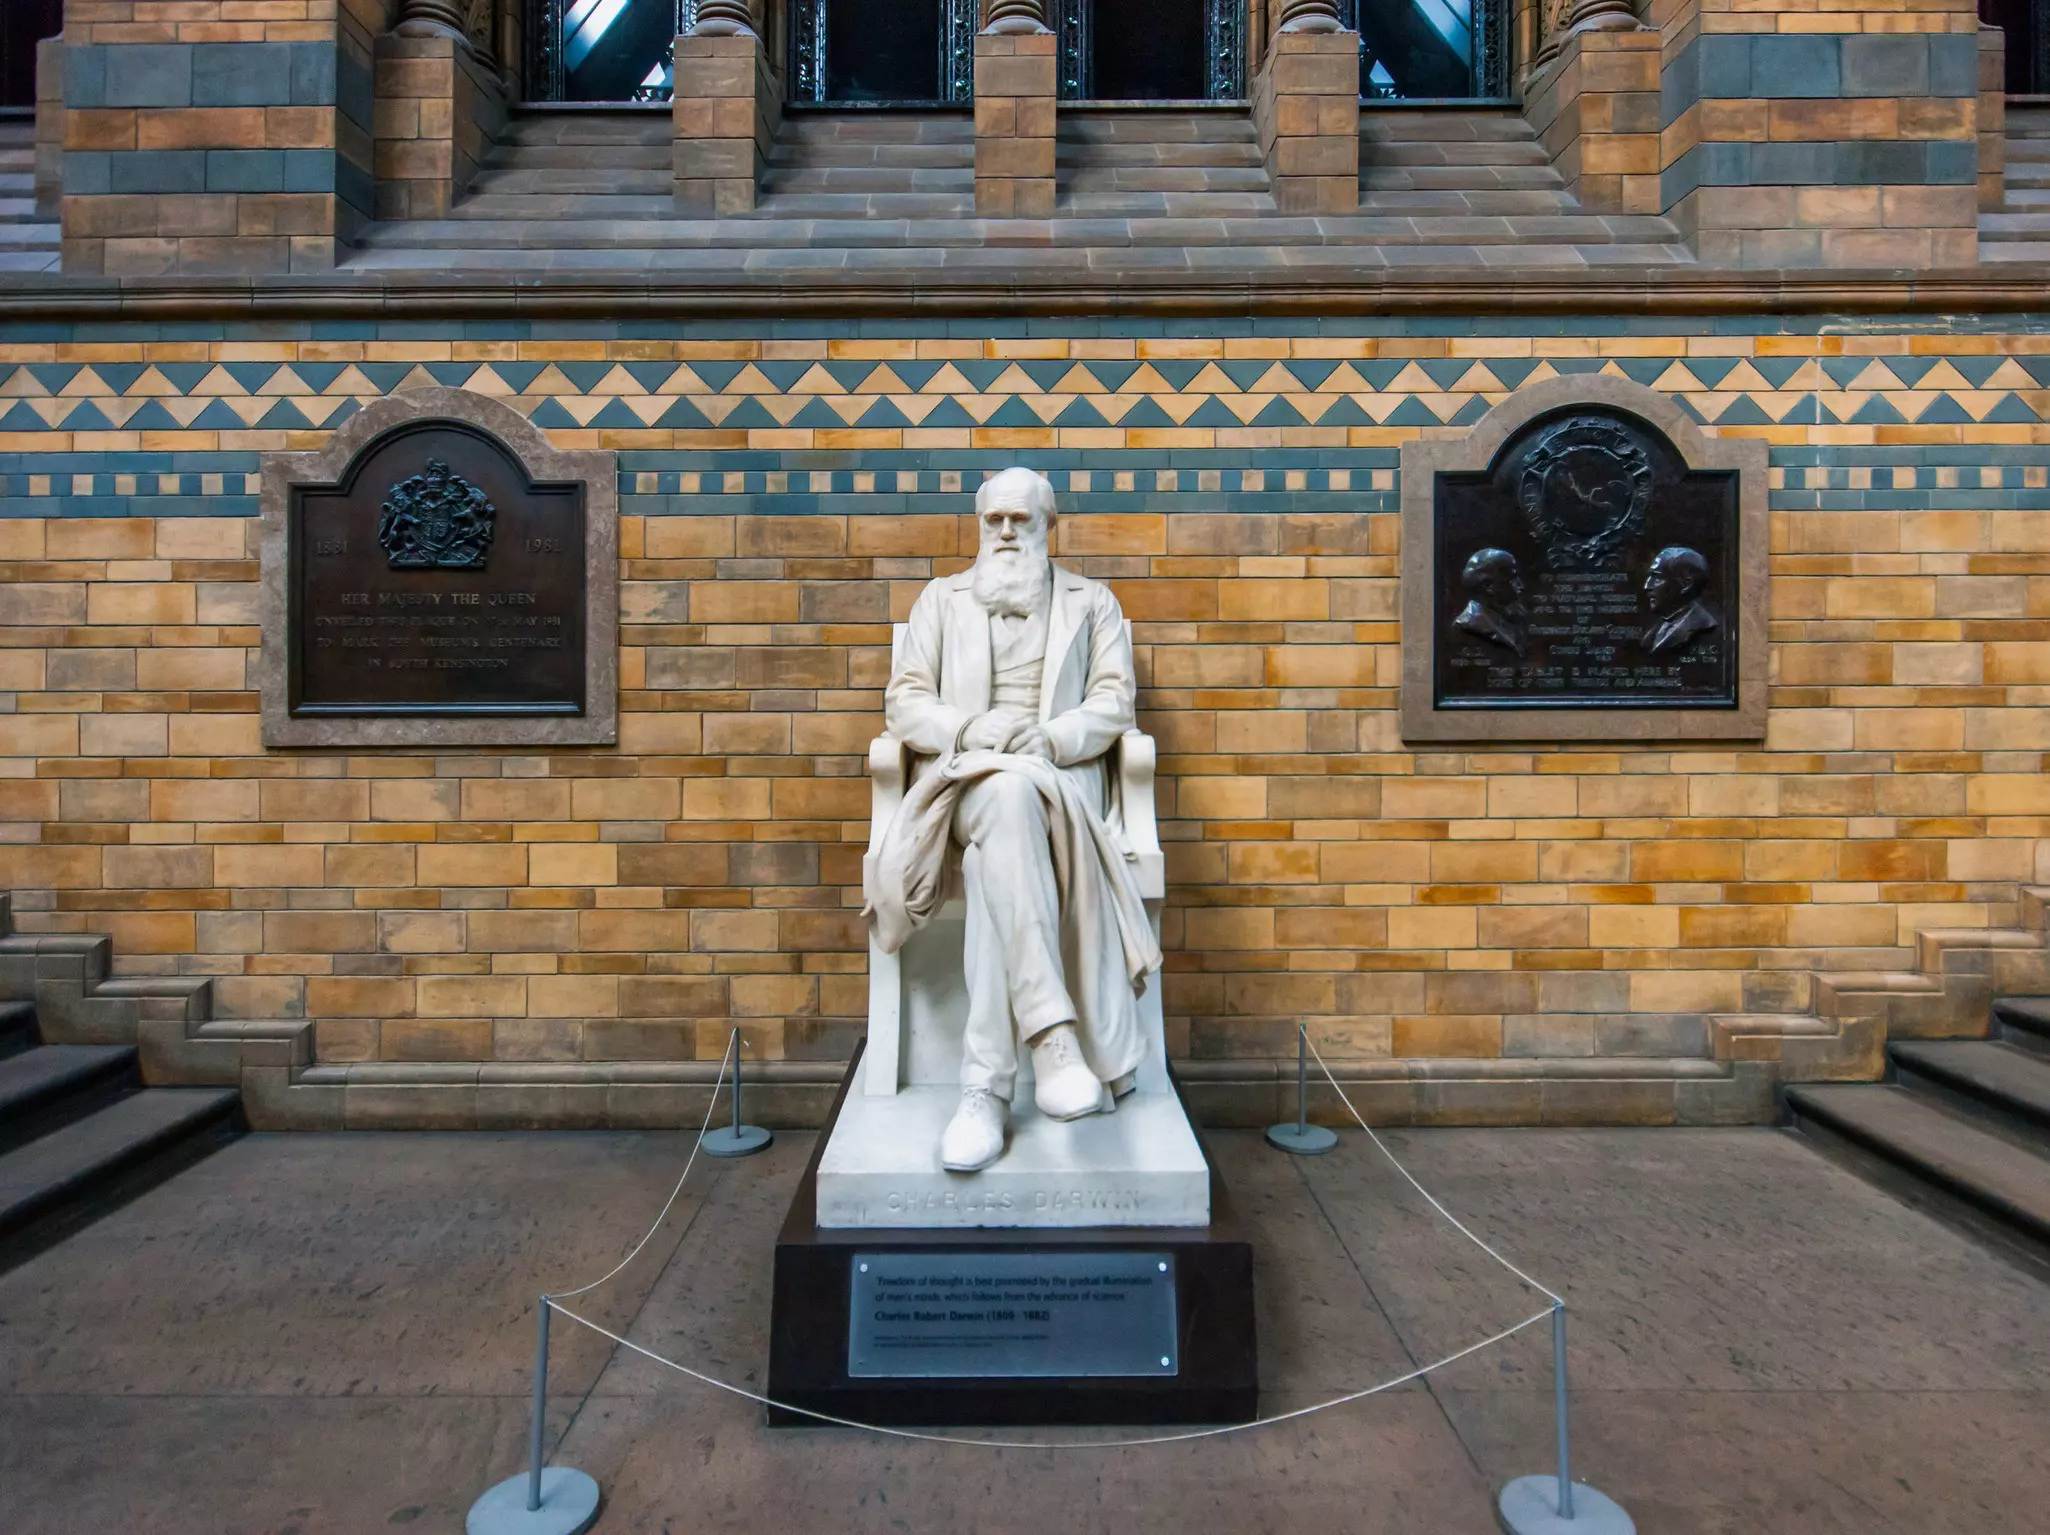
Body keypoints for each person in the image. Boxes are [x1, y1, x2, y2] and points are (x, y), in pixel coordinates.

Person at [869, 467, 1159, 1172]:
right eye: (992, 519)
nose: (1004, 532)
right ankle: (1053, 1042)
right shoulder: (941, 600)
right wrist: (968, 728)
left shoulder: (1094, 603)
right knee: (1000, 797)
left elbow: (1114, 701)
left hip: (1057, 784)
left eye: (1019, 520)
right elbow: (905, 701)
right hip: (965, 782)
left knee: (998, 842)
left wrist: (1051, 738)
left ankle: (985, 1091)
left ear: (1048, 525)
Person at [1641, 546, 1719, 655]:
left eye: (1657, 578)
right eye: (1649, 577)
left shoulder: (1707, 629)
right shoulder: (1655, 630)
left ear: (1686, 584)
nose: (1646, 586)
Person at [1453, 547, 1527, 656]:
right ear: (1489, 586)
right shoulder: (1469, 623)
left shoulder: (1513, 616)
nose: (1521, 586)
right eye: (1513, 579)